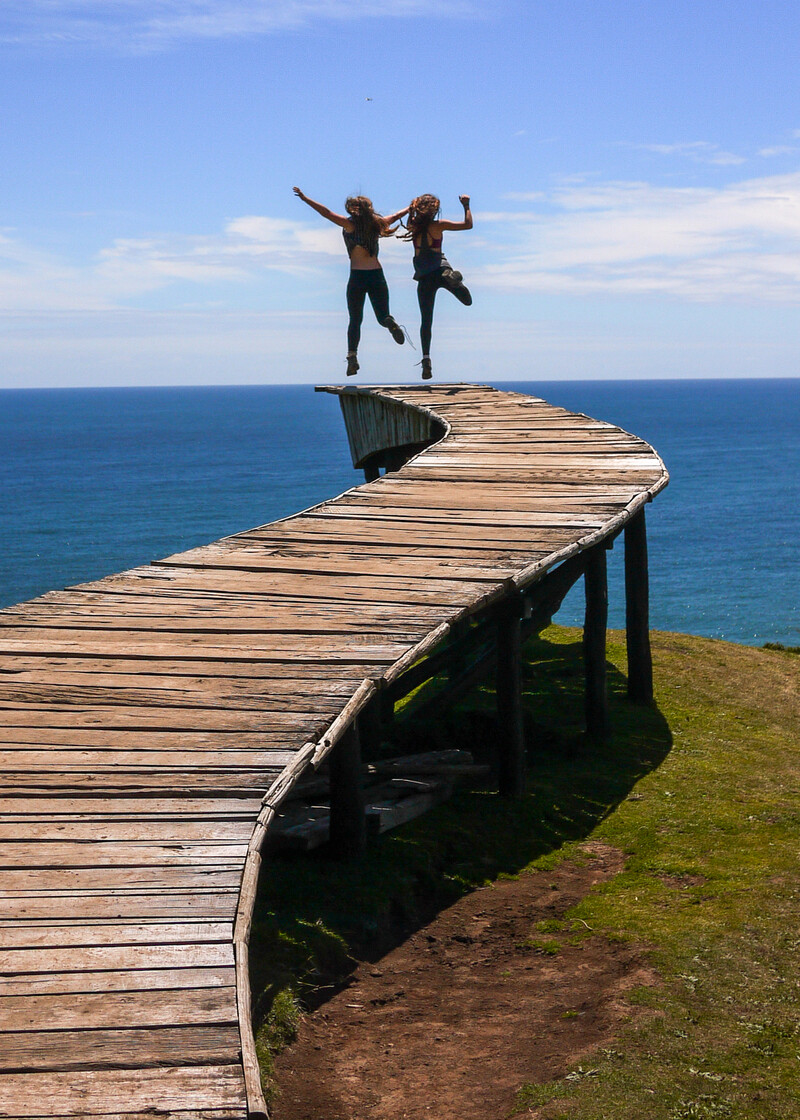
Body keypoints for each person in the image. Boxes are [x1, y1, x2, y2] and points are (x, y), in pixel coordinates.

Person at [293, 187, 409, 376]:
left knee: (355, 320)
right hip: (377, 276)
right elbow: (396, 216)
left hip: (357, 277)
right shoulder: (376, 224)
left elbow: (326, 213)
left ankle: (352, 357)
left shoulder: (349, 225)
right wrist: (410, 207)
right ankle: (390, 323)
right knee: (382, 317)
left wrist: (306, 199)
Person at [402, 193, 473, 380]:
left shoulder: (413, 226)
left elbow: (410, 216)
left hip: (424, 276)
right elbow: (468, 225)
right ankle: (454, 280)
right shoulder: (439, 226)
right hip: (440, 270)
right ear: (435, 210)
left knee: (426, 321)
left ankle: (426, 359)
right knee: (467, 302)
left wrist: (411, 209)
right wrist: (466, 206)